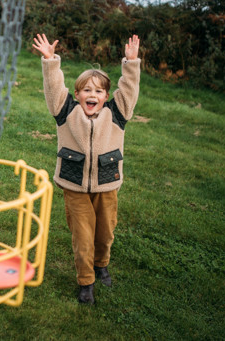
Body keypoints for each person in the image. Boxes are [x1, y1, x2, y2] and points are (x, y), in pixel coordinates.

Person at [32, 33, 141, 304]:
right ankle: (86, 282)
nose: (92, 95)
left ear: (106, 96)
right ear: (77, 93)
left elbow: (128, 89)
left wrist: (131, 62)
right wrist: (50, 60)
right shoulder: (65, 111)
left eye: (98, 91)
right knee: (82, 236)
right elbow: (55, 88)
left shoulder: (117, 114)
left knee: (104, 233)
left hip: (106, 184)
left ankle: (101, 264)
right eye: (86, 90)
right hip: (74, 186)